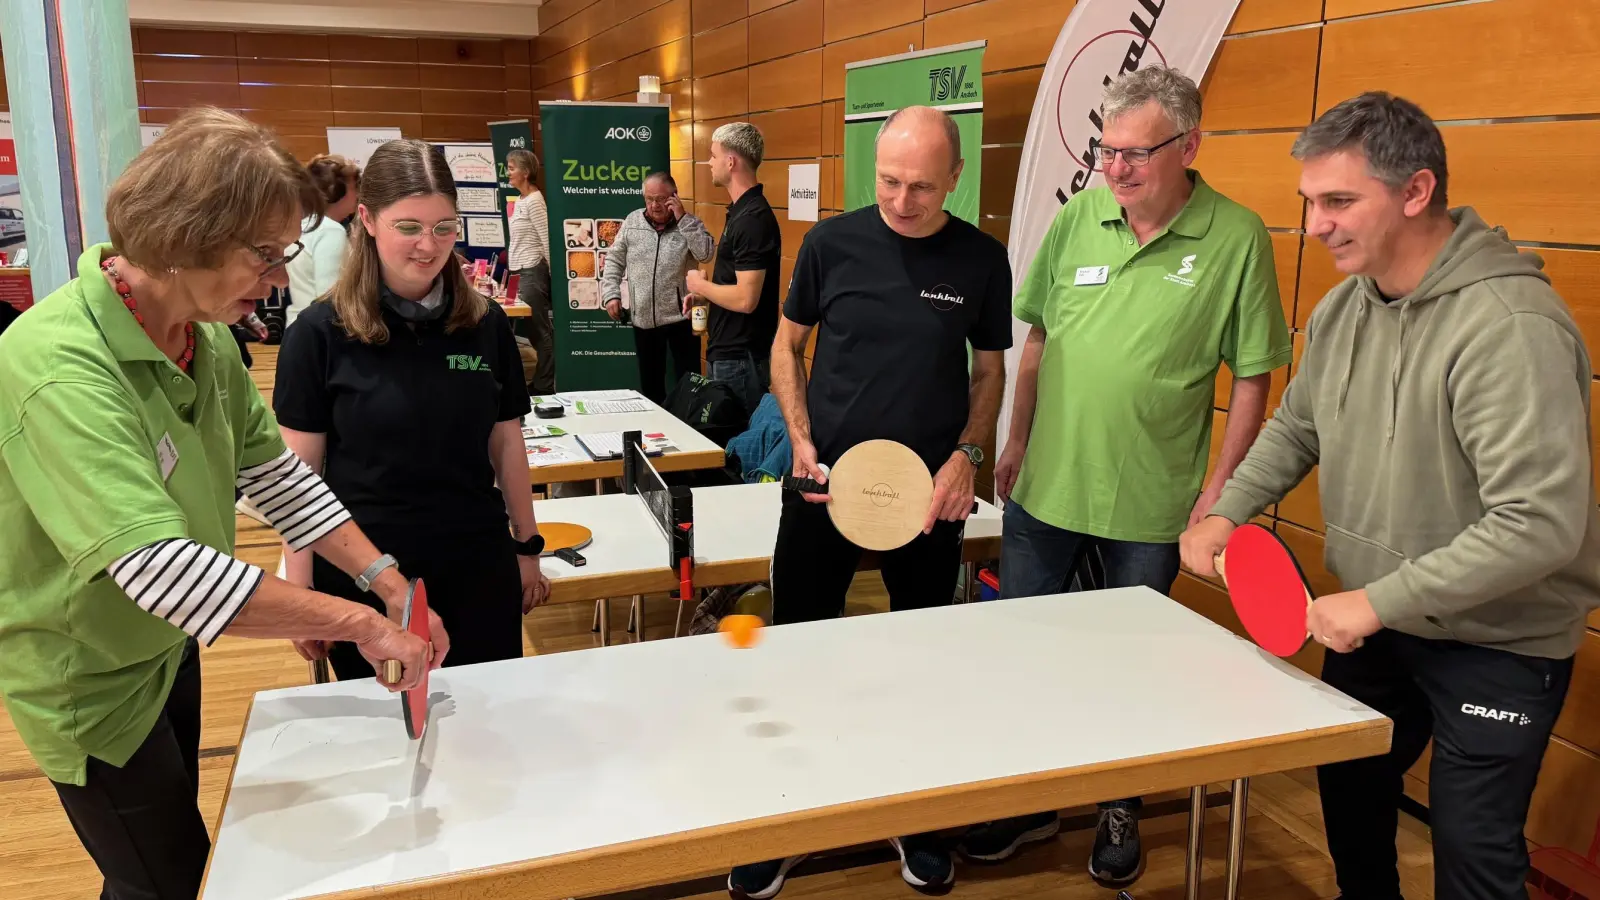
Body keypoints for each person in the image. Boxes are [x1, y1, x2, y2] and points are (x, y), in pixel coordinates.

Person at [0, 107, 441, 900]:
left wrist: (384, 578)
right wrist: (359, 623)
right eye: (263, 256)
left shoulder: (201, 337)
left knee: (157, 872)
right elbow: (158, 569)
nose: (278, 280)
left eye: (286, 254)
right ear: (181, 239)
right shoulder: (57, 365)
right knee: (164, 877)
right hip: (90, 678)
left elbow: (274, 476)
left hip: (165, 651)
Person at [1181, 91, 1600, 900]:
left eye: (1339, 201)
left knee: (1474, 849)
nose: (1317, 225)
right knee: (1351, 793)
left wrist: (1376, 601)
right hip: (1380, 621)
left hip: (1501, 641)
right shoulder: (1344, 309)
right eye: (1310, 202)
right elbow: (1296, 429)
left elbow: (1539, 524)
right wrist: (1225, 510)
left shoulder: (1510, 326)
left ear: (1415, 191)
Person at [956, 66, 1293, 885]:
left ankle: (1119, 803)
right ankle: (1031, 800)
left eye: (1137, 154)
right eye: (1107, 151)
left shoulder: (1236, 236)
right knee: (1028, 651)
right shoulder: (1080, 217)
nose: (1117, 169)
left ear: (1191, 145)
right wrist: (1014, 440)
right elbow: (1036, 340)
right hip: (1048, 490)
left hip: (1149, 502)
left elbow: (1254, 375)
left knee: (1132, 666)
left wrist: (1221, 493)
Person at [728, 106, 1012, 899]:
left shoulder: (983, 261)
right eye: (889, 180)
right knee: (797, 654)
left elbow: (988, 375)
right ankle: (785, 821)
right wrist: (799, 438)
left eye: (922, 185)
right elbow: (787, 346)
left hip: (927, 501)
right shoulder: (830, 244)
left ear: (956, 179)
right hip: (823, 490)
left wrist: (968, 455)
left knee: (917, 663)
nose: (902, 198)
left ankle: (913, 817)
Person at [274, 138, 550, 678]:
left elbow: (506, 444)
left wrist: (527, 547)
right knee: (389, 740)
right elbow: (297, 479)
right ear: (369, 220)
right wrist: (298, 591)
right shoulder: (318, 334)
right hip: (364, 572)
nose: (429, 245)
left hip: (476, 563)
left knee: (493, 725)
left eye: (444, 227)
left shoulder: (486, 324)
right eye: (409, 227)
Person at [684, 122, 781, 415]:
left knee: (736, 449)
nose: (709, 163)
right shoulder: (741, 212)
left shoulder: (752, 219)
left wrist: (700, 286)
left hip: (741, 359)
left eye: (713, 156)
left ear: (731, 161)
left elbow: (746, 299)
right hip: (730, 353)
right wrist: (707, 296)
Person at [600, 171, 715, 404]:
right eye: (649, 199)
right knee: (651, 385)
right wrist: (611, 293)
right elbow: (614, 259)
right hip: (643, 319)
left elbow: (706, 253)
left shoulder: (690, 223)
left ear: (674, 197)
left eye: (661, 199)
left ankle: (689, 429)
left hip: (682, 318)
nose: (654, 205)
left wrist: (683, 219)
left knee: (688, 382)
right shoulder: (632, 222)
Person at [286, 153, 360, 329]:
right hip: (319, 332)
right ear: (335, 190)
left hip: (300, 326)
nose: (358, 194)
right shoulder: (330, 231)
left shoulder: (304, 226)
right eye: (354, 187)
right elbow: (330, 298)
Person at [506, 148, 555, 394]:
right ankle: (539, 380)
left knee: (539, 331)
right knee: (532, 330)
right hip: (519, 270)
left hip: (532, 270)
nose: (508, 172)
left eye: (512, 168)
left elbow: (547, 239)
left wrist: (552, 274)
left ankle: (545, 385)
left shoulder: (535, 201)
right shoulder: (521, 200)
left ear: (525, 172)